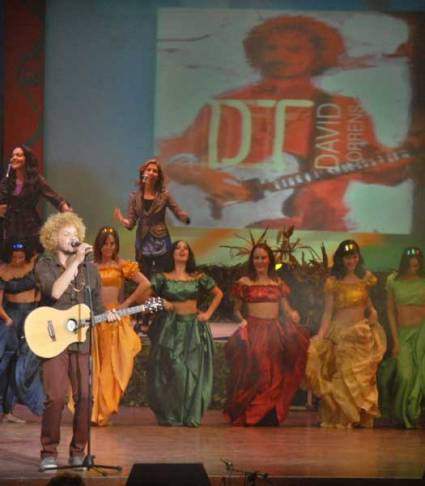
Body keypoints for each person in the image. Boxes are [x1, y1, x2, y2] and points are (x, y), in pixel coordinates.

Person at [159, 15, 409, 231]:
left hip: (319, 229)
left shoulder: (345, 109)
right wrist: (201, 175)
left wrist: (394, 167)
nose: (280, 56)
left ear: (317, 55)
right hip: (227, 228)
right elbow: (167, 159)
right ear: (257, 52)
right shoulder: (225, 104)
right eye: (271, 48)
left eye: (294, 49)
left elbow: (379, 173)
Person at [35, 212, 117, 471]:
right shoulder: (45, 264)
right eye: (66, 234)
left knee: (84, 397)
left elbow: (98, 307)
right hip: (53, 341)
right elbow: (55, 291)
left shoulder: (91, 271)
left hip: (81, 341)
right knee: (56, 398)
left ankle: (78, 452)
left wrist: (110, 315)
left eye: (75, 235)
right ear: (53, 236)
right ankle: (48, 453)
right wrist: (75, 262)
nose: (73, 239)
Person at [224, 243, 309, 426]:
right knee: (258, 371)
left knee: (276, 372)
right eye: (256, 258)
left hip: (275, 331)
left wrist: (293, 314)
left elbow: (286, 309)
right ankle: (253, 412)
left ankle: (269, 414)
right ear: (252, 260)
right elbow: (236, 310)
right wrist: (242, 321)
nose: (260, 261)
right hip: (254, 330)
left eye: (263, 257)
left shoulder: (277, 282)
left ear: (269, 259)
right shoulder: (244, 282)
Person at [305, 239, 387, 428]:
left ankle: (357, 416)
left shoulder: (365, 280)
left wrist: (374, 313)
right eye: (347, 258)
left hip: (361, 333)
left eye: (354, 257)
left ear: (358, 258)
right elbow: (327, 312)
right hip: (340, 332)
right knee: (342, 375)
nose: (351, 261)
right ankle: (342, 418)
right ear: (341, 259)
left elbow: (369, 306)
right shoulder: (333, 282)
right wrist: (321, 334)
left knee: (360, 377)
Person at [146, 240, 222, 426]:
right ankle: (172, 414)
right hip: (170, 328)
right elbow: (145, 300)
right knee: (175, 369)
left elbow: (218, 294)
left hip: (193, 328)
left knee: (192, 372)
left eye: (185, 248)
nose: (182, 250)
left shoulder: (198, 277)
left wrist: (208, 314)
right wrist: (161, 302)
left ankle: (190, 415)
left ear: (189, 253)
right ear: (172, 253)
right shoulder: (162, 278)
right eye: (178, 248)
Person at [91, 226, 149, 426]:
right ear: (99, 244)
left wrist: (126, 304)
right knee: (96, 365)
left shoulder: (121, 264)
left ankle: (104, 410)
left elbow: (145, 284)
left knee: (113, 364)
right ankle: (94, 411)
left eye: (112, 243)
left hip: (115, 319)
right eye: (105, 243)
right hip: (96, 320)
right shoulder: (90, 266)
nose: (108, 247)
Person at [114, 158, 190, 278]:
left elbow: (178, 212)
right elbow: (131, 224)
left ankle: (160, 297)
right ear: (143, 173)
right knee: (144, 277)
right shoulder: (134, 197)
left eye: (155, 171)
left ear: (158, 176)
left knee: (162, 277)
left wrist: (184, 217)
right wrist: (122, 220)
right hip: (142, 242)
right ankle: (146, 297)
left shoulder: (165, 195)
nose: (151, 172)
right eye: (148, 170)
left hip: (161, 241)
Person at [378, 247, 425, 428]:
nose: (415, 263)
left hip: (423, 333)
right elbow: (390, 311)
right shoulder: (393, 281)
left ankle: (415, 415)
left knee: (421, 375)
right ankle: (402, 415)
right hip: (404, 333)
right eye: (411, 260)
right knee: (405, 375)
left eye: (418, 260)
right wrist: (396, 340)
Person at [0, 240, 44, 423]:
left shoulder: (34, 268)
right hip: (11, 317)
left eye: (21, 257)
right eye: (14, 257)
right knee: (5, 364)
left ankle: (13, 409)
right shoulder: (3, 271)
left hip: (30, 316)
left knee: (24, 363)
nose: (18, 260)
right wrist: (8, 320)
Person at [0, 145, 72, 254]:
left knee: (32, 262)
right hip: (11, 229)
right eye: (12, 155)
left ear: (27, 159)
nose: (14, 157)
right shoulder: (6, 182)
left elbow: (54, 197)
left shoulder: (36, 180)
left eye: (18, 155)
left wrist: (65, 209)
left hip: (31, 229)